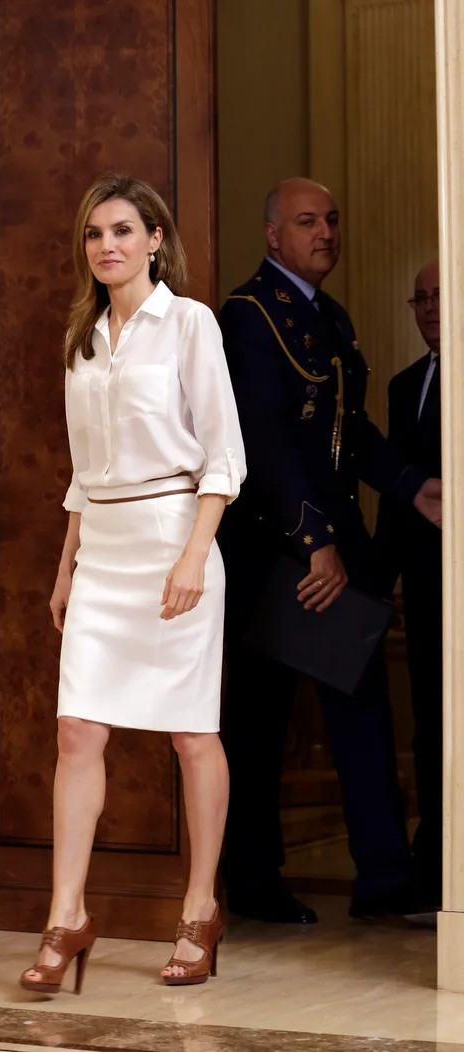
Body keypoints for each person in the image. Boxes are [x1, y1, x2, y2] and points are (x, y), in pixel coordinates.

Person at [19, 173, 246, 995]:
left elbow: (224, 454)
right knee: (76, 732)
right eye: (94, 233)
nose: (106, 245)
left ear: (155, 240)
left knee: (191, 734)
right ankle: (67, 915)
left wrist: (193, 554)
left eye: (122, 230)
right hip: (103, 556)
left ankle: (199, 909)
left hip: (173, 543)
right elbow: (84, 473)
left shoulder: (190, 324)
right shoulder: (82, 338)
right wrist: (66, 567)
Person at [219, 178, 442, 924]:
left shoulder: (331, 316)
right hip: (275, 553)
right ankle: (255, 881)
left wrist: (412, 485)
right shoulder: (249, 314)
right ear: (272, 235)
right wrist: (314, 541)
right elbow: (265, 439)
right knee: (261, 719)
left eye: (332, 221)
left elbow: (352, 431)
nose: (325, 233)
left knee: (361, 708)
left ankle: (382, 879)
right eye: (308, 221)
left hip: (335, 550)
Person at [374, 260, 442, 908]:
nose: (430, 308)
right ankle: (434, 862)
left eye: (441, 296)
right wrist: (377, 582)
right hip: (422, 586)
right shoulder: (403, 387)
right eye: (420, 298)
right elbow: (401, 498)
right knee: (428, 721)